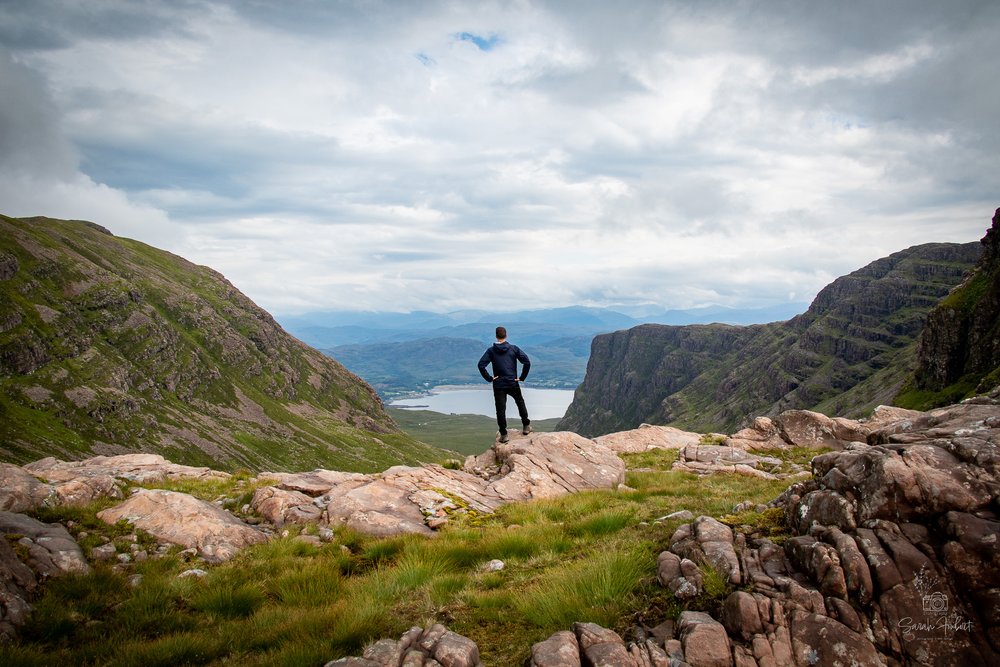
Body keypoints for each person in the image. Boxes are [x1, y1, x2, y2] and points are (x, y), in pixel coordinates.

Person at [478, 326, 531, 443]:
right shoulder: (513, 349)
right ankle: (526, 426)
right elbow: (527, 362)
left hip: (499, 384)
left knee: (500, 410)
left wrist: (490, 378)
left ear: (496, 336)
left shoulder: (491, 351)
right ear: (506, 335)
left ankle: (504, 434)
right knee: (520, 403)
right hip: (512, 382)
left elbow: (481, 365)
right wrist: (522, 378)